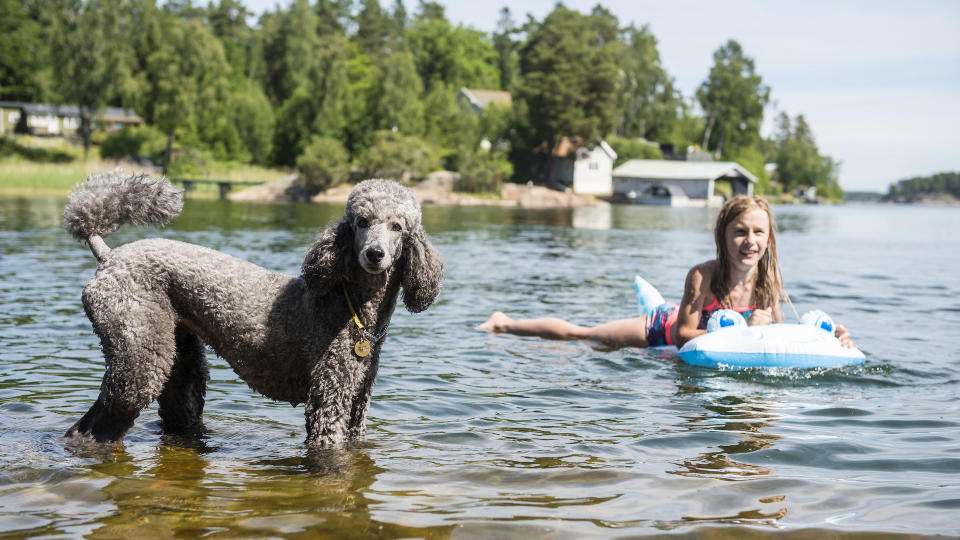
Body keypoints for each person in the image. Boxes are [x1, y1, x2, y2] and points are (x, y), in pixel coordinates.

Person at [477, 195, 855, 349]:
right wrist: (744, 330)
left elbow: (775, 337)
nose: (749, 241)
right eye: (739, 232)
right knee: (583, 337)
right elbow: (682, 333)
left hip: (705, 335)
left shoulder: (767, 284)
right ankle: (504, 323)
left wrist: (830, 339)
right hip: (666, 325)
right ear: (722, 237)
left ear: (769, 241)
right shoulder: (702, 276)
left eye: (758, 233)